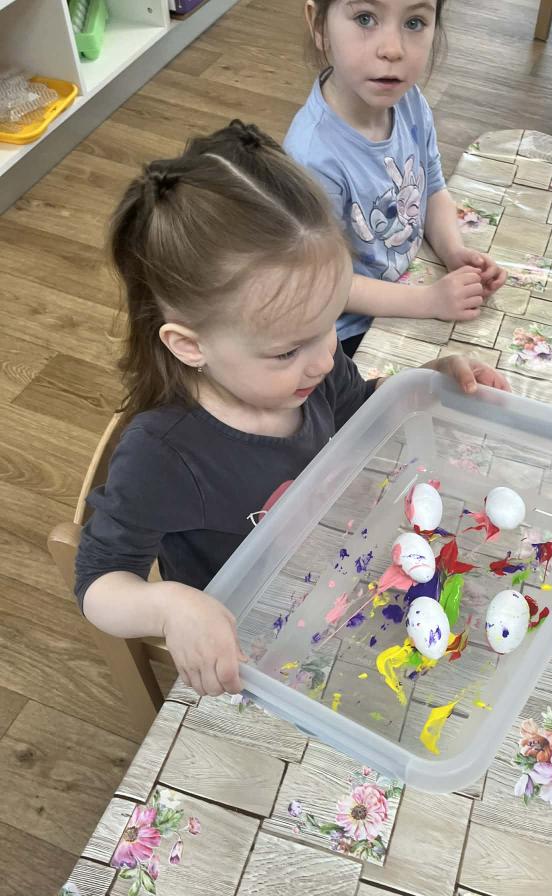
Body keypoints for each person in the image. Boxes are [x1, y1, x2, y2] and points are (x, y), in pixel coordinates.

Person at [75, 120, 510, 699]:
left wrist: (428, 381)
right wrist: (170, 606)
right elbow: (97, 583)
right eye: (286, 351)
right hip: (253, 638)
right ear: (190, 346)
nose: (325, 359)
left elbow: (366, 415)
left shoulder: (315, 373)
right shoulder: (164, 454)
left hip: (337, 570)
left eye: (330, 324)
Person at [284, 0, 508, 356]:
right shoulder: (312, 156)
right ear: (320, 25)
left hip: (414, 280)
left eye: (414, 22)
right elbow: (322, 285)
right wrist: (430, 301)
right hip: (347, 334)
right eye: (365, 18)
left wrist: (454, 252)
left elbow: (431, 187)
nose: (393, 49)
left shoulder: (410, 102)